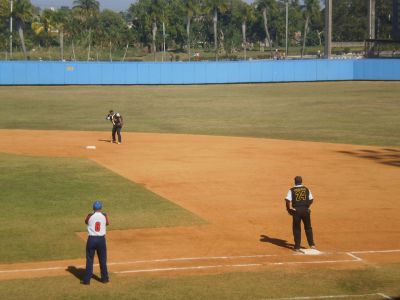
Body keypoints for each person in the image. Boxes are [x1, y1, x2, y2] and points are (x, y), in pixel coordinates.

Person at [81, 200, 110, 285]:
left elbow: (86, 221)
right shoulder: (104, 216)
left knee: (90, 260)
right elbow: (107, 223)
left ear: (93, 208)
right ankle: (105, 279)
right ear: (101, 208)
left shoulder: (89, 216)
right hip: (101, 240)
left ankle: (87, 280)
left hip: (91, 240)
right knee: (103, 260)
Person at [285, 176, 316, 252]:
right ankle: (312, 244)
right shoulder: (306, 189)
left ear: (295, 182)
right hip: (306, 210)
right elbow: (311, 199)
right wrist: (306, 206)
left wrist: (288, 209)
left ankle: (297, 246)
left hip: (296, 211)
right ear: (301, 181)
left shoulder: (292, 190)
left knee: (296, 229)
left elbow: (287, 200)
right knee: (308, 227)